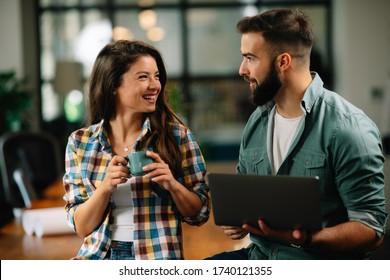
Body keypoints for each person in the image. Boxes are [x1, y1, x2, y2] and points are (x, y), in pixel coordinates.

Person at [208, 8, 387, 260]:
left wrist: (307, 239)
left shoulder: (348, 127)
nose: (242, 70)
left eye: (250, 58)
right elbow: (244, 198)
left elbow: (372, 230)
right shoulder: (257, 121)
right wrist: (239, 220)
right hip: (260, 256)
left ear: (283, 62)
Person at [63, 40, 210, 260]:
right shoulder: (81, 142)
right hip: (98, 257)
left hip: (156, 258)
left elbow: (199, 214)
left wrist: (172, 184)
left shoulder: (177, 137)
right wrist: (105, 187)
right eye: (143, 77)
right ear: (113, 85)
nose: (155, 86)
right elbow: (82, 227)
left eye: (157, 76)